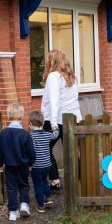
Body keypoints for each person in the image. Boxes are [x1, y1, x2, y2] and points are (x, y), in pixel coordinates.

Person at [41, 49, 82, 192]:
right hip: (72, 118)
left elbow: (54, 102)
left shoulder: (53, 76)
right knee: (71, 151)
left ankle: (55, 181)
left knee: (44, 148)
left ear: (51, 61)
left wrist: (53, 123)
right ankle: (78, 182)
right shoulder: (71, 77)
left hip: (56, 119)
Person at [0, 103, 36, 221]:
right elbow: (31, 152)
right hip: (23, 165)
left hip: (9, 166)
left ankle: (13, 211)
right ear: (22, 116)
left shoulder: (4, 133)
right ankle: (24, 204)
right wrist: (31, 163)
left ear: (8, 116)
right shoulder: (25, 134)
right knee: (24, 184)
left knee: (11, 188)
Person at [29, 110, 59, 212]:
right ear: (43, 123)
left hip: (36, 166)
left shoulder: (32, 137)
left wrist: (29, 163)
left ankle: (41, 205)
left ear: (31, 124)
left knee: (38, 185)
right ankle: (49, 197)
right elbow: (55, 135)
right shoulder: (47, 135)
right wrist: (57, 129)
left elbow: (30, 151)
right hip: (47, 165)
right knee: (45, 181)